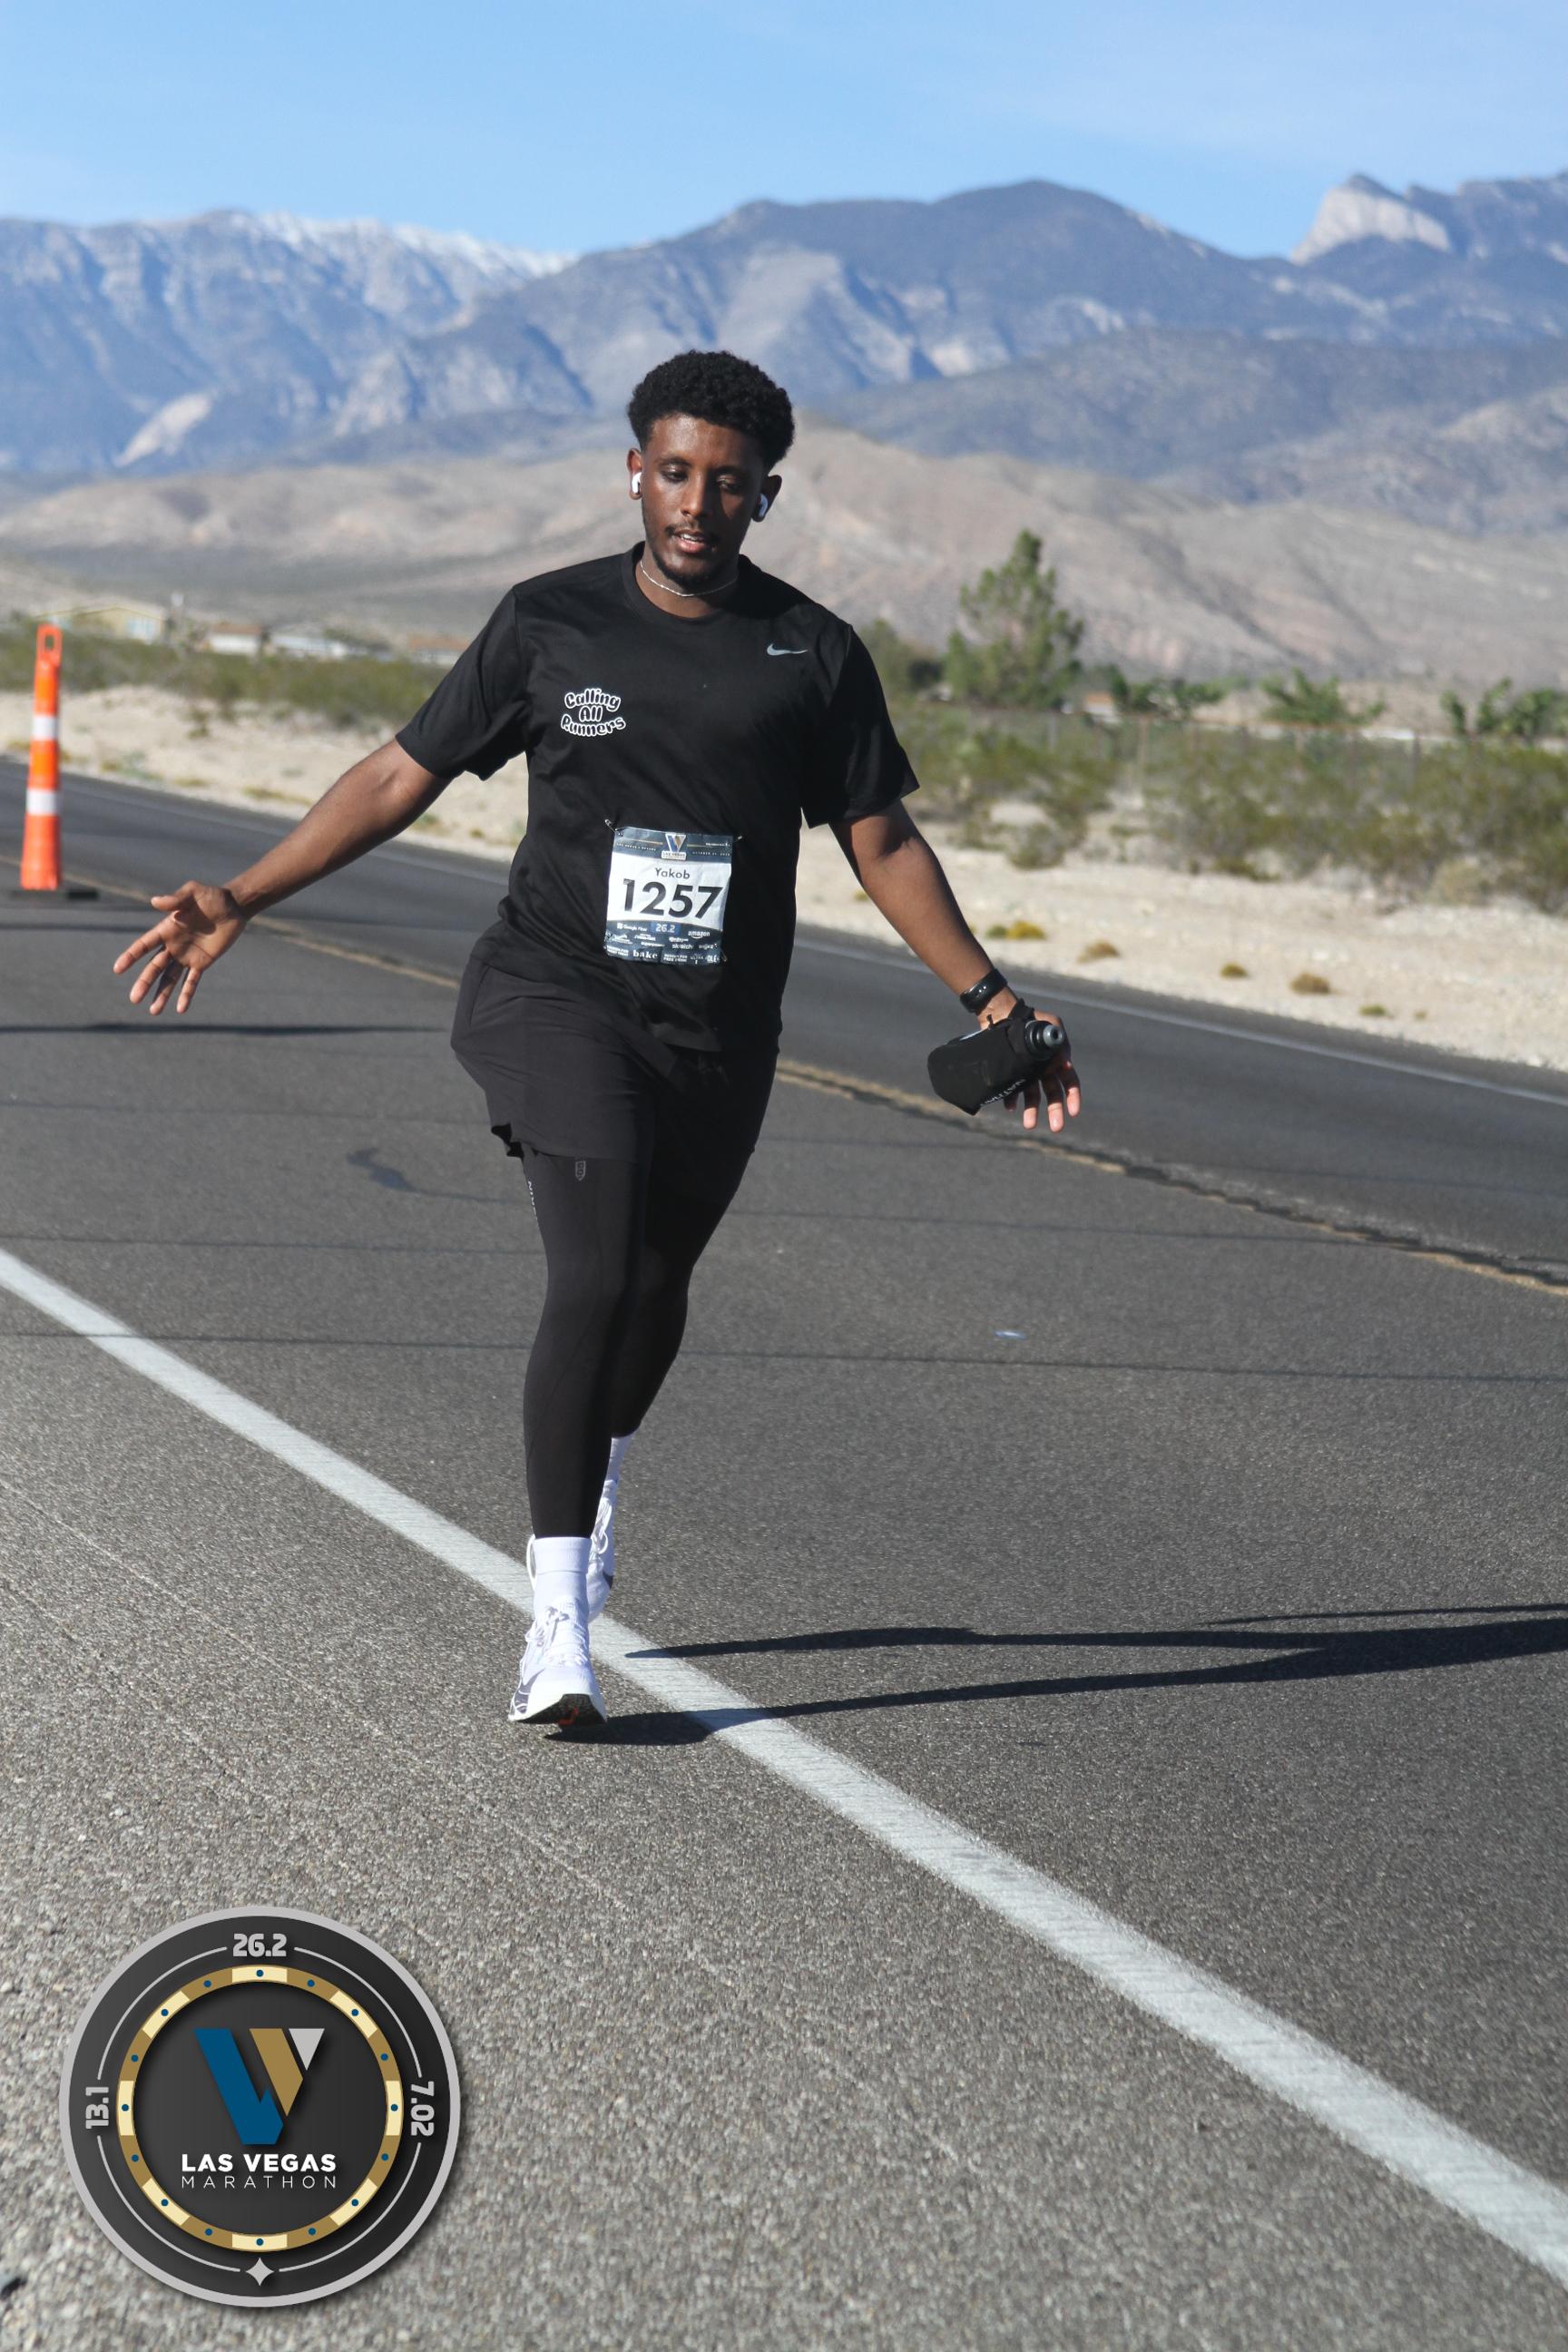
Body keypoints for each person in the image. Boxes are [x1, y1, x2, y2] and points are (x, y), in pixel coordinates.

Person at [113, 348, 1082, 1730]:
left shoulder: (811, 653)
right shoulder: (548, 623)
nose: (697, 502)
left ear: (766, 495)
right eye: (674, 472)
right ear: (635, 472)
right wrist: (245, 895)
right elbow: (399, 773)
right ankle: (559, 1625)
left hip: (720, 1029)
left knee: (656, 1286)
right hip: (555, 992)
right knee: (597, 1266)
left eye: (728, 483)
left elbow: (879, 838)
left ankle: (599, 1463)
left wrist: (991, 1001)